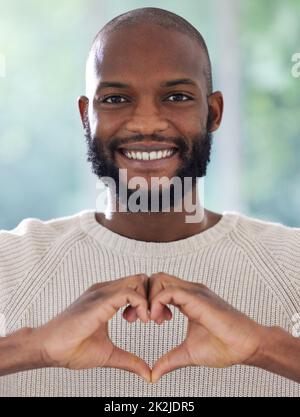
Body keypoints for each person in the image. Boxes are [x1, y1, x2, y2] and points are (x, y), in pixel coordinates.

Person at [0, 7, 299, 397]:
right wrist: (30, 348)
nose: (145, 123)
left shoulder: (293, 266)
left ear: (214, 112)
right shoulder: (10, 265)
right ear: (85, 116)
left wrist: (264, 346)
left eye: (176, 96)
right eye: (115, 98)